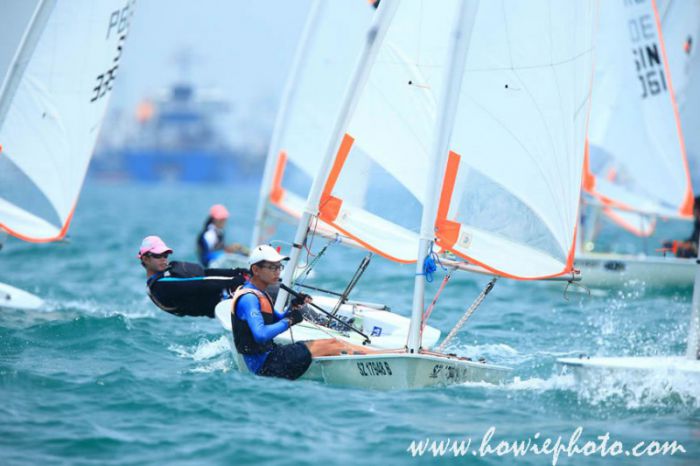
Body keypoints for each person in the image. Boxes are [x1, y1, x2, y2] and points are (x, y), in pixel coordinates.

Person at [232, 244, 377, 380]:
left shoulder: (261, 293)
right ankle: (377, 358)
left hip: (272, 357)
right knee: (334, 344)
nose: (277, 272)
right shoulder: (249, 298)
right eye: (272, 267)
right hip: (266, 366)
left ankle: (376, 354)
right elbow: (261, 335)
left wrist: (293, 307)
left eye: (279, 267)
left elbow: (277, 319)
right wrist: (289, 321)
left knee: (335, 343)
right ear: (256, 270)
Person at [138, 235, 248, 318]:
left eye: (165, 255)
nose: (163, 259)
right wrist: (237, 280)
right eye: (158, 255)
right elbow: (201, 283)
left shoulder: (169, 271)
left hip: (230, 295)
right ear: (145, 259)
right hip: (224, 303)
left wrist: (236, 272)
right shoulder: (159, 286)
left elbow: (204, 273)